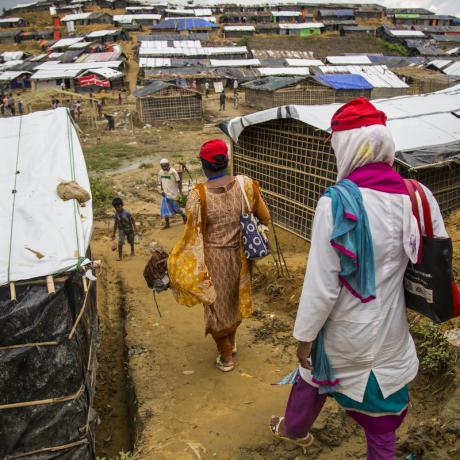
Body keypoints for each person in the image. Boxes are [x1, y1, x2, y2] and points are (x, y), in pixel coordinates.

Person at [269, 98, 448, 458]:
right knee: (383, 425)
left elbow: (321, 287)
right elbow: (435, 261)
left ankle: (293, 428)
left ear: (346, 146)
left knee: (313, 372)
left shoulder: (335, 203)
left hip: (344, 332)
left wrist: (303, 337)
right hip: (390, 329)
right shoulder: (418, 196)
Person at [168, 140, 271, 372]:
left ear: (204, 164)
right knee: (234, 300)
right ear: (226, 161)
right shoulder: (246, 185)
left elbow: (193, 234)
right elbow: (265, 216)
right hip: (243, 257)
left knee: (215, 306)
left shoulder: (198, 196)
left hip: (215, 259)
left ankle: (226, 357)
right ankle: (231, 342)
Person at [158, 158, 186, 229]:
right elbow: (160, 182)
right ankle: (167, 224)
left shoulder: (173, 172)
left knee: (176, 208)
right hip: (165, 194)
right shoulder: (160, 172)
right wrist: (162, 191)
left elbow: (178, 181)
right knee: (165, 209)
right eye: (162, 166)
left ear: (168, 165)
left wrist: (180, 192)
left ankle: (184, 216)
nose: (164, 168)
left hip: (173, 194)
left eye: (165, 166)